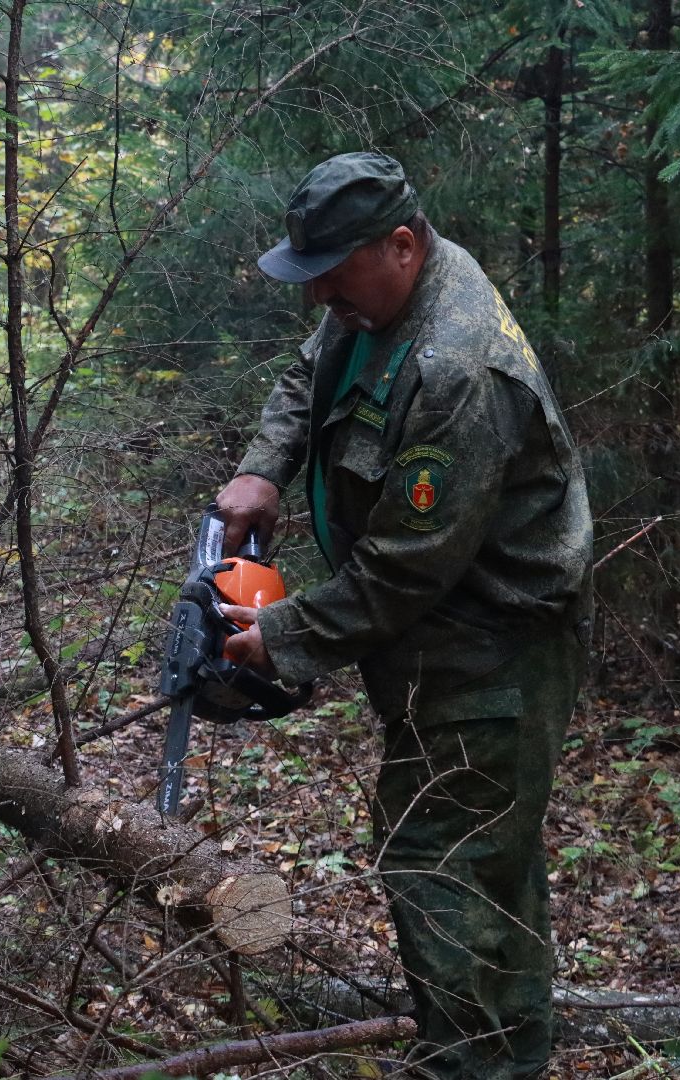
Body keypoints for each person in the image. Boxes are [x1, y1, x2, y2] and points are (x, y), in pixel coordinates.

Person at [214, 152, 593, 1080]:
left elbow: (406, 566)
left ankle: (472, 1065)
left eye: (333, 274)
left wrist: (283, 639)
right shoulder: (374, 304)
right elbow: (311, 371)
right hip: (443, 636)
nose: (320, 298)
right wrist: (266, 466)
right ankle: (506, 1054)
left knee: (441, 859)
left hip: (491, 649)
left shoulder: (459, 367)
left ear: (400, 245)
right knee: (486, 858)